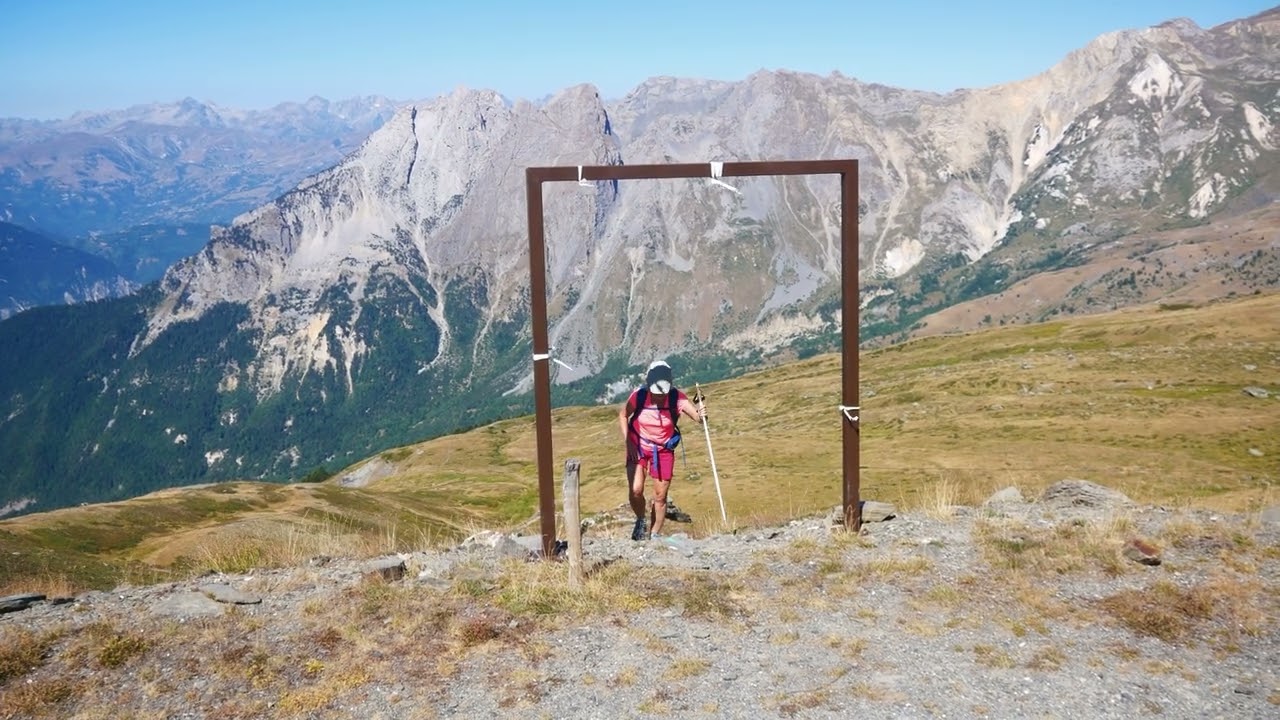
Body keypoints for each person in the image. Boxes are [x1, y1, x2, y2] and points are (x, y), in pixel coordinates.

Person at [618, 360, 704, 541]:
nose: (659, 397)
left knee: (661, 496)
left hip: (663, 450)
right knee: (636, 490)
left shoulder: (677, 398)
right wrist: (628, 443)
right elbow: (623, 415)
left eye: (662, 393)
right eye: (656, 393)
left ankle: (654, 535)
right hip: (638, 445)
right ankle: (641, 520)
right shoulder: (639, 396)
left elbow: (698, 418)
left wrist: (702, 414)